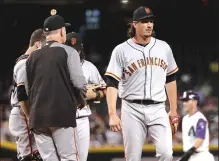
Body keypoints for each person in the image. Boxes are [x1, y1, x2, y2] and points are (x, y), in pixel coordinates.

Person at [105, 6, 180, 161]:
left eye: (151, 21)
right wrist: (112, 113)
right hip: (132, 108)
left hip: (158, 107)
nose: (149, 25)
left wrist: (173, 111)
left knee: (167, 154)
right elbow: (111, 83)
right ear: (134, 24)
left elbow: (171, 79)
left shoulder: (163, 47)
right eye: (144, 21)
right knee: (132, 157)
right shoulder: (121, 50)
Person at [25, 15, 87, 161]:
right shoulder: (69, 52)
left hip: (38, 118)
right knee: (69, 158)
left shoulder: (32, 57)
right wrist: (81, 101)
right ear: (62, 31)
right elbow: (79, 84)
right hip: (61, 115)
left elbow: (28, 91)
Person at [65, 31, 106, 161]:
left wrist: (94, 94)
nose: (73, 53)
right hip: (61, 120)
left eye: (76, 50)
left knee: (82, 158)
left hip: (82, 118)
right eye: (70, 50)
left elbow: (104, 91)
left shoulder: (89, 67)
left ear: (80, 49)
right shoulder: (57, 66)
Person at [9, 28, 45, 161]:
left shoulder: (29, 62)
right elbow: (22, 94)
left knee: (36, 155)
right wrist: (30, 116)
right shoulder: (24, 63)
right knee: (28, 157)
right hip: (23, 113)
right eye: (45, 46)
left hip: (26, 112)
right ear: (38, 44)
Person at [177, 90, 215, 161]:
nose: (184, 103)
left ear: (195, 102)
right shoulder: (185, 119)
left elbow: (200, 138)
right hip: (190, 155)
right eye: (183, 101)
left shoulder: (200, 118)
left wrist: (189, 153)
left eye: (187, 100)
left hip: (201, 156)